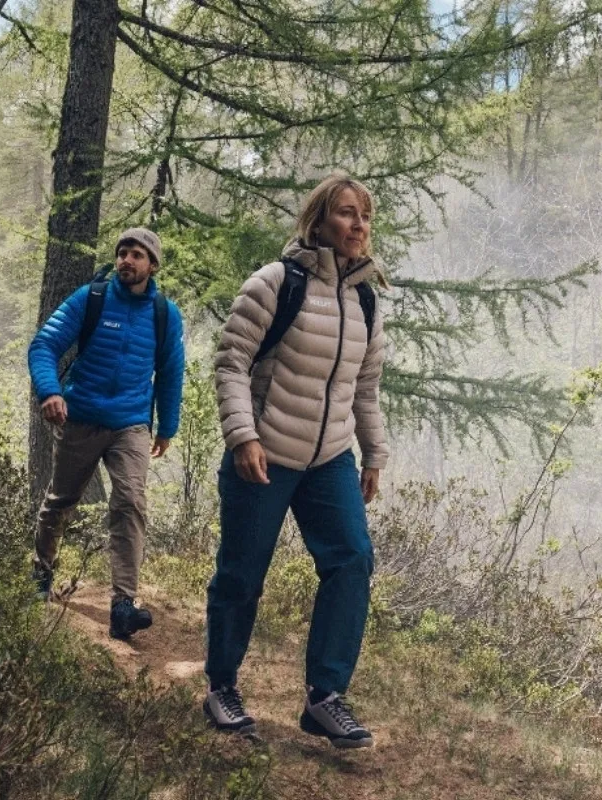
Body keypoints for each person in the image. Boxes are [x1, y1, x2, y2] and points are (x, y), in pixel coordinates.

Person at [202, 176, 389, 749]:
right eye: (345, 214)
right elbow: (231, 363)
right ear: (319, 221)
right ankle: (221, 687)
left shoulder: (365, 299)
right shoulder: (275, 282)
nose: (357, 226)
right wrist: (242, 436)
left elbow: (366, 386)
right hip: (266, 452)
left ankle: (324, 697)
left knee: (353, 560)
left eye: (363, 217)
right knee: (242, 574)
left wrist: (374, 453)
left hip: (330, 458)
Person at [27, 227, 185, 640]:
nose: (127, 261)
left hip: (131, 423)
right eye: (122, 253)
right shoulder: (90, 298)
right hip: (79, 416)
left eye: (137, 255)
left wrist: (167, 426)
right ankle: (40, 575)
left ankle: (123, 605)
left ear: (153, 265)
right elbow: (44, 345)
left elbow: (170, 373)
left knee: (131, 501)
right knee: (62, 500)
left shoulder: (165, 315)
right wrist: (50, 392)